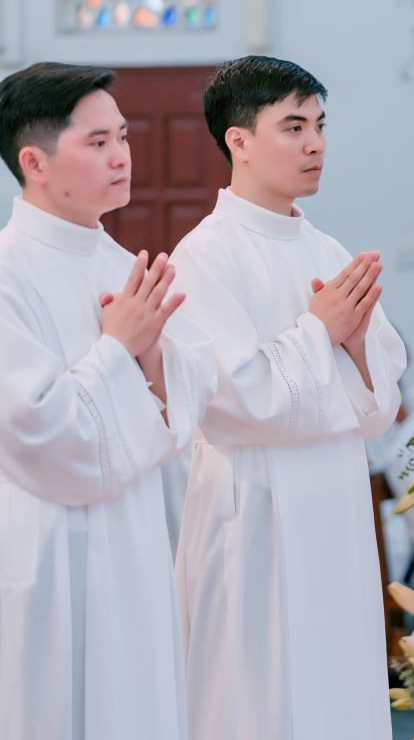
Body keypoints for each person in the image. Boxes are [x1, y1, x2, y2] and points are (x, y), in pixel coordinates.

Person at [170, 55, 406, 740]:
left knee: (338, 684)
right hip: (252, 512)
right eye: (294, 127)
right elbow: (235, 398)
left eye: (321, 126)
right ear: (239, 140)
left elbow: (378, 403)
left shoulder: (327, 249)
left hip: (335, 504)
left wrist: (354, 348)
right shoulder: (204, 256)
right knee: (256, 694)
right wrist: (321, 333)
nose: (316, 145)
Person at [0, 62, 214, 739]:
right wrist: (120, 349)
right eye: (97, 142)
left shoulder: (124, 266)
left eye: (122, 137)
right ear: (34, 161)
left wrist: (151, 359)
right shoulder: (6, 273)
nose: (122, 156)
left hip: (135, 536)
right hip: (47, 548)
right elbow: (34, 428)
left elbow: (189, 396)